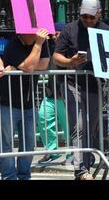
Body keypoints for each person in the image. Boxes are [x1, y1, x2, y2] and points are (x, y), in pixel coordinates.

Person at [53, 0, 109, 180]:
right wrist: (71, 61)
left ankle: (86, 161)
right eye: (84, 16)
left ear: (99, 14)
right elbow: (56, 56)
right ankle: (80, 169)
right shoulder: (70, 29)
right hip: (73, 82)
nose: (87, 20)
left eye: (91, 17)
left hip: (95, 85)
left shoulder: (106, 30)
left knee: (92, 127)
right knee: (78, 125)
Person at [0, 29, 50, 180]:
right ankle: (9, 176)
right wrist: (38, 46)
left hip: (29, 104)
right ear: (22, 33)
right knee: (6, 144)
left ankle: (23, 175)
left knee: (29, 144)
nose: (37, 36)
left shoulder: (41, 41)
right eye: (33, 34)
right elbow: (29, 67)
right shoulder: (12, 45)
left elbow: (43, 65)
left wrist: (22, 65)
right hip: (8, 103)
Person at [37, 22, 70, 165]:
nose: (55, 36)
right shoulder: (49, 47)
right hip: (51, 93)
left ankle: (71, 155)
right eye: (54, 33)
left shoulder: (69, 48)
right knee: (43, 117)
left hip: (65, 95)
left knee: (69, 127)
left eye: (59, 33)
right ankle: (52, 151)